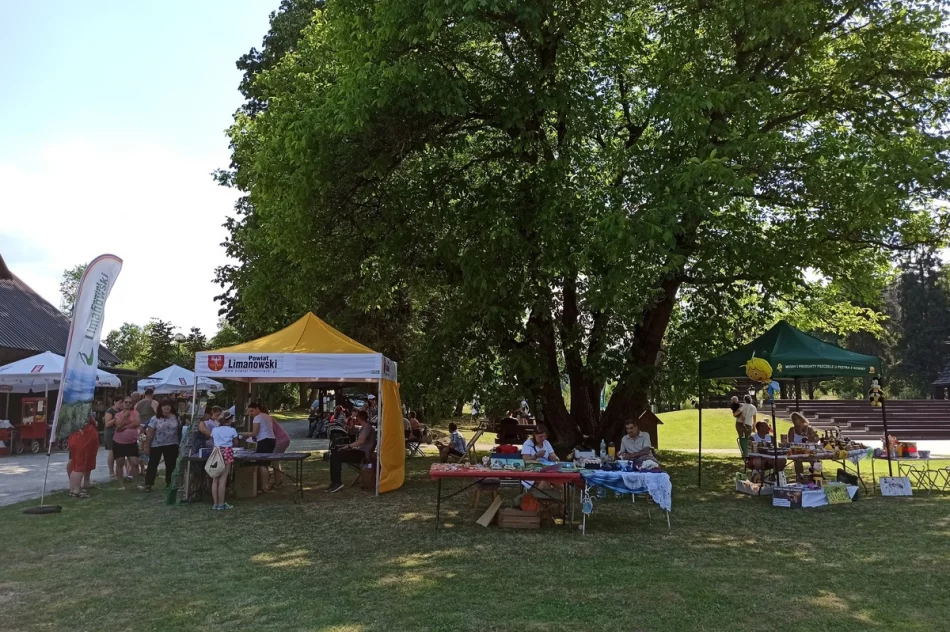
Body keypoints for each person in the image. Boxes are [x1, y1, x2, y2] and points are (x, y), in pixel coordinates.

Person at [327, 410, 375, 493]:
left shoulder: (367, 428)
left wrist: (348, 446)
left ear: (359, 418)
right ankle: (334, 482)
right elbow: (353, 431)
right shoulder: (365, 427)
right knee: (334, 453)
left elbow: (361, 441)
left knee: (337, 455)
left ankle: (337, 483)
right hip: (360, 452)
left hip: (364, 455)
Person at [141, 398, 182, 492]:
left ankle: (169, 483)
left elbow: (179, 430)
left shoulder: (176, 417)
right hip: (157, 444)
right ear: (160, 407)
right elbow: (150, 433)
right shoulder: (155, 418)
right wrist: (147, 446)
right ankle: (148, 484)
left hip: (172, 443)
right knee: (153, 464)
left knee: (171, 464)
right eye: (164, 405)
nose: (166, 407)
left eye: (168, 405)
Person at [243, 401, 276, 492]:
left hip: (264, 441)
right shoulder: (267, 416)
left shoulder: (257, 418)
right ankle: (265, 485)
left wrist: (245, 434)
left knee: (261, 464)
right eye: (249, 412)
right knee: (266, 464)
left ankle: (264, 486)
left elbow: (254, 433)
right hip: (271, 440)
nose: (250, 413)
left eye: (252, 411)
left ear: (257, 408)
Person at [210, 412, 239, 511]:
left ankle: (215, 504)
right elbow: (235, 443)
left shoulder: (215, 429)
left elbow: (212, 440)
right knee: (223, 478)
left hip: (216, 452)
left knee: (215, 479)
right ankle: (221, 504)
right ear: (230, 420)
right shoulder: (232, 430)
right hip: (227, 452)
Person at [67, 414, 99, 498]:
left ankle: (73, 489)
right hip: (82, 439)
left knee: (75, 465)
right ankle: (76, 491)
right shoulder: (82, 411)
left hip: (77, 437)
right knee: (79, 467)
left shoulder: (72, 411)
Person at [112, 396, 141, 484]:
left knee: (134, 463)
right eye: (126, 402)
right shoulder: (118, 415)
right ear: (122, 403)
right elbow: (118, 427)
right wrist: (125, 417)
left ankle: (136, 483)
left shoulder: (135, 413)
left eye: (130, 402)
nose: (128, 404)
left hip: (131, 442)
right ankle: (121, 484)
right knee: (120, 463)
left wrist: (125, 427)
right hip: (119, 442)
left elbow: (137, 423)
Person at [103, 395, 123, 480]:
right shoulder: (110, 411)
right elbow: (107, 424)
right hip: (110, 433)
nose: (121, 404)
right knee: (112, 451)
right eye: (120, 402)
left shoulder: (121, 411)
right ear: (115, 402)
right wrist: (115, 418)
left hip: (119, 432)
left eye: (122, 403)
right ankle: (111, 471)